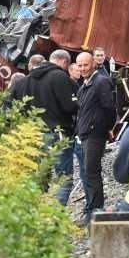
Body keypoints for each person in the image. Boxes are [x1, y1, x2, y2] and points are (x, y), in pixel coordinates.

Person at [26, 49, 79, 201]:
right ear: (64, 62)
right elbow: (70, 106)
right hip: (58, 132)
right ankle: (56, 217)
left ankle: (39, 213)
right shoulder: (59, 76)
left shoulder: (30, 79)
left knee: (41, 176)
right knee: (64, 179)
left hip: (37, 134)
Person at [74, 51, 117, 224]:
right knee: (88, 172)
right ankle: (91, 208)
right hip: (86, 133)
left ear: (93, 64)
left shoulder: (100, 82)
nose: (82, 68)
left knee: (91, 172)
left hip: (94, 134)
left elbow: (109, 108)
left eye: (85, 65)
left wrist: (106, 128)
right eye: (80, 65)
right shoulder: (85, 84)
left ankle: (95, 211)